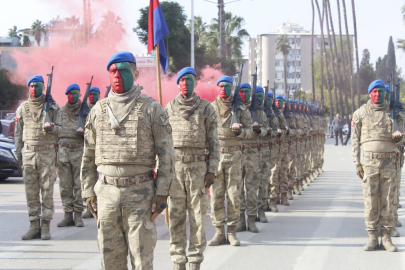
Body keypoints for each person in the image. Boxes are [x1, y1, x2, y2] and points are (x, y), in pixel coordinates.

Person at [80, 51, 175, 269]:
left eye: (122, 71)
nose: (117, 76)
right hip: (105, 193)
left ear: (135, 73)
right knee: (110, 260)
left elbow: (167, 154)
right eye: (112, 71)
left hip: (140, 192)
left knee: (141, 261)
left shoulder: (151, 108)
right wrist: (87, 192)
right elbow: (88, 156)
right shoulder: (98, 111)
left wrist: (162, 192)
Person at [165, 67, 220, 270]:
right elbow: (162, 143)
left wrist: (212, 168)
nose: (186, 84)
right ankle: (178, 261)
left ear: (195, 83)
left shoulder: (206, 108)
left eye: (189, 80)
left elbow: (214, 141)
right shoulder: (169, 107)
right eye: (182, 80)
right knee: (176, 217)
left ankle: (195, 260)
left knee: (198, 216)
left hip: (198, 168)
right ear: (178, 83)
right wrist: (161, 169)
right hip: (175, 168)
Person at [352, 79, 404, 252]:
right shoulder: (360, 113)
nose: (377, 94)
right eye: (374, 91)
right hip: (369, 164)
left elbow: (403, 136)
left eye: (380, 91)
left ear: (384, 93)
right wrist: (357, 162)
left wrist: (399, 137)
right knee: (371, 202)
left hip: (390, 162)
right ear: (369, 94)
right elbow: (355, 140)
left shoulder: (394, 113)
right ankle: (373, 237)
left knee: (388, 201)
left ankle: (387, 238)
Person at [15, 75, 62, 240]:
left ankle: (45, 226)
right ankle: (34, 225)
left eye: (37, 86)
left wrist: (52, 129)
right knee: (31, 192)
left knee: (47, 191)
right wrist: (18, 155)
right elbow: (18, 133)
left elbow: (62, 130)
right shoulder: (22, 108)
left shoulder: (53, 108)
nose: (34, 89)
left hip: (47, 154)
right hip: (28, 154)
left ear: (43, 87)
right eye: (32, 86)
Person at [210, 78, 253, 245]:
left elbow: (250, 132)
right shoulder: (211, 108)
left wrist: (240, 132)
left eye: (226, 86)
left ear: (232, 88)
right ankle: (219, 231)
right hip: (216, 156)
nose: (223, 89)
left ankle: (232, 232)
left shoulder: (241, 109)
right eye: (220, 86)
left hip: (234, 156)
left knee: (234, 194)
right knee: (216, 195)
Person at [237, 85, 266, 233]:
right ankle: (241, 220)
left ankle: (252, 220)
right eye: (241, 92)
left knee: (252, 188)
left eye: (246, 92)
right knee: (239, 190)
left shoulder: (259, 112)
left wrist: (259, 129)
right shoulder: (235, 109)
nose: (243, 94)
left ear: (250, 94)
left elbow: (267, 130)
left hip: (253, 154)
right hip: (238, 153)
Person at [57, 84, 86, 228]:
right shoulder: (60, 111)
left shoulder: (86, 111)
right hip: (63, 151)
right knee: (65, 186)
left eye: (74, 93)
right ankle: (68, 214)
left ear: (79, 95)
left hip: (79, 150)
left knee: (79, 185)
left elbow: (94, 131)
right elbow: (54, 130)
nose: (71, 96)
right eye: (68, 94)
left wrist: (85, 132)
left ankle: (79, 215)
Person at [82, 86, 100, 219]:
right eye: (90, 94)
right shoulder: (82, 109)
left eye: (95, 94)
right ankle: (89, 205)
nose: (92, 96)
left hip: (98, 149)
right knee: (86, 179)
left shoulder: (102, 109)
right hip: (86, 147)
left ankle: (95, 206)